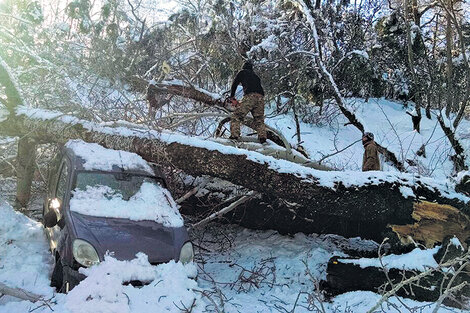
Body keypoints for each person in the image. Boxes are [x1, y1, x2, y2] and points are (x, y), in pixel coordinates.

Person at [229, 60, 267, 144]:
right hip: (261, 97)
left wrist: (232, 97)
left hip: (250, 96)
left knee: (236, 115)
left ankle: (234, 136)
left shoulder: (242, 72)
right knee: (259, 119)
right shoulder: (256, 76)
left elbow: (234, 84)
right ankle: (263, 138)